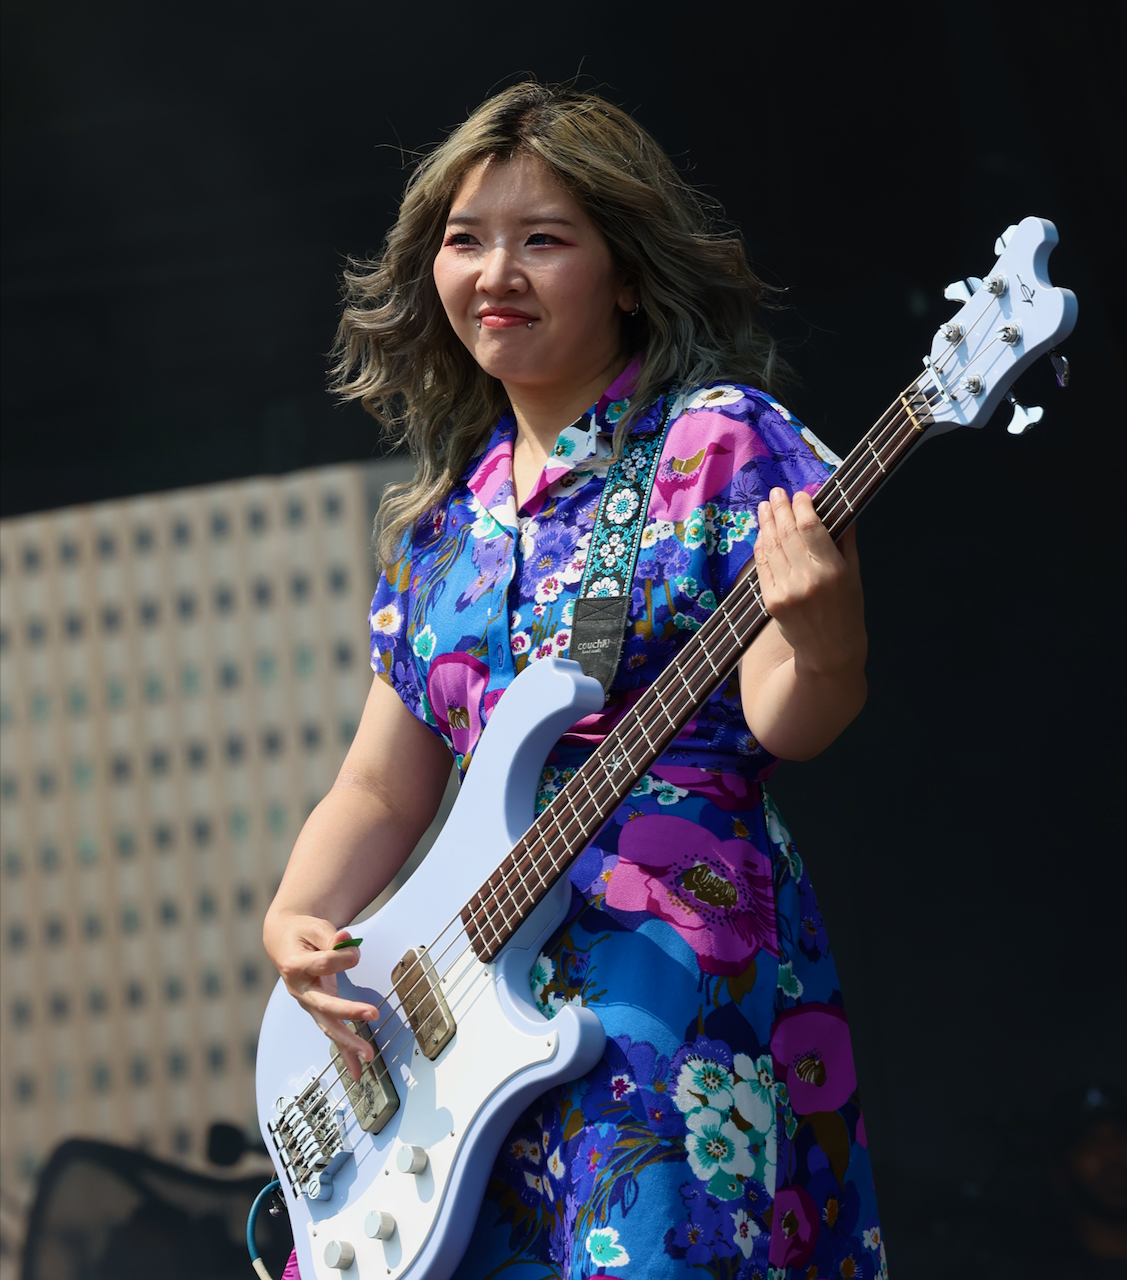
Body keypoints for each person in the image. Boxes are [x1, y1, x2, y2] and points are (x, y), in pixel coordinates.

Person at [264, 82, 885, 1280]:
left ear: (628, 275)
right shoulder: (439, 531)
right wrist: (293, 917)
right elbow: (380, 788)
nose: (496, 271)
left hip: (662, 967)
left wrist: (827, 639)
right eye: (465, 239)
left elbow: (783, 717)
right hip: (458, 1027)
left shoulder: (716, 443)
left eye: (542, 239)